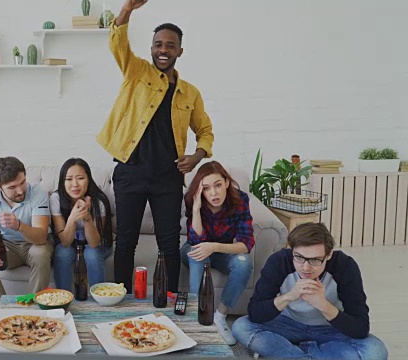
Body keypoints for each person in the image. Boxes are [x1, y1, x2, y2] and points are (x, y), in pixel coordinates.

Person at [97, 0, 214, 295]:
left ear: (179, 51)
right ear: (151, 49)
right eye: (158, 44)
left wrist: (197, 156)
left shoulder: (190, 93)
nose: (164, 50)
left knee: (168, 244)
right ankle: (122, 300)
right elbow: (118, 43)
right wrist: (126, 10)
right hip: (130, 172)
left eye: (170, 45)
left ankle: (169, 299)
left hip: (167, 178)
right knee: (125, 241)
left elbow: (205, 130)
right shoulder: (135, 72)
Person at [232, 222, 388, 359]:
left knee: (375, 351)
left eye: (315, 260)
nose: (305, 267)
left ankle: (291, 354)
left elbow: (360, 328)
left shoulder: (345, 266)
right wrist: (289, 296)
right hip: (287, 325)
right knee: (241, 326)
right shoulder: (279, 261)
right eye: (299, 257)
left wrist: (323, 305)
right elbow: (255, 312)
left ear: (328, 255)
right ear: (291, 250)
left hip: (331, 331)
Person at [180, 161, 254, 345]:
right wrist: (196, 209)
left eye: (218, 185)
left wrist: (213, 246)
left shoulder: (240, 200)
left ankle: (220, 317)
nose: (213, 193)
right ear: (200, 190)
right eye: (206, 188)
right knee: (199, 253)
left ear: (227, 183)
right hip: (193, 249)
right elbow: (196, 241)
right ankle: (199, 316)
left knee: (244, 262)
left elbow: (246, 243)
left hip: (221, 251)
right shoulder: (193, 200)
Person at [0, 156, 54, 312]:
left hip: (34, 244)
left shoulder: (37, 192)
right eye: (12, 187)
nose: (21, 190)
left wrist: (19, 225)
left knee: (40, 253)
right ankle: (1, 311)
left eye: (22, 182)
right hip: (9, 246)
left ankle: (36, 312)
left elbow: (41, 237)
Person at [50, 158, 114, 291]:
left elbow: (94, 243)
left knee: (92, 254)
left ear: (88, 179)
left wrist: (87, 218)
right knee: (62, 252)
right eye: (68, 179)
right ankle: (63, 299)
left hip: (97, 243)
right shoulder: (56, 199)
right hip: (70, 243)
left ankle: (99, 301)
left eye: (80, 178)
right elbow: (66, 241)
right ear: (63, 182)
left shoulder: (98, 201)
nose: (75, 184)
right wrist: (72, 218)